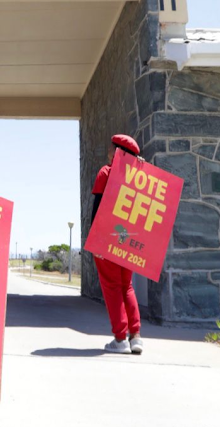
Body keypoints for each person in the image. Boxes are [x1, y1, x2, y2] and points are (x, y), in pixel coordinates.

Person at [90, 134, 144, 355]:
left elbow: (97, 209)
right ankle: (136, 337)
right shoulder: (140, 177)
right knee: (127, 286)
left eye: (112, 149)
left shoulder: (106, 172)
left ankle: (120, 338)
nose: (109, 153)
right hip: (129, 238)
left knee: (112, 287)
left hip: (109, 238)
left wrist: (96, 241)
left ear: (119, 152)